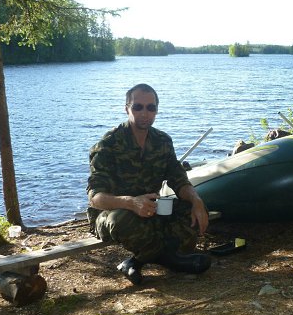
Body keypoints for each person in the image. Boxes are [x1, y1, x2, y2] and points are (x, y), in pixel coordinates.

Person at [87, 83, 211, 285]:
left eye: (150, 108)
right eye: (138, 107)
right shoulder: (108, 145)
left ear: (156, 111)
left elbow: (179, 180)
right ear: (127, 108)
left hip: (151, 209)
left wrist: (197, 201)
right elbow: (95, 198)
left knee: (193, 210)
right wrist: (131, 202)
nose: (144, 113)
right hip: (113, 212)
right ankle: (171, 259)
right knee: (121, 220)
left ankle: (137, 261)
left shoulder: (162, 141)